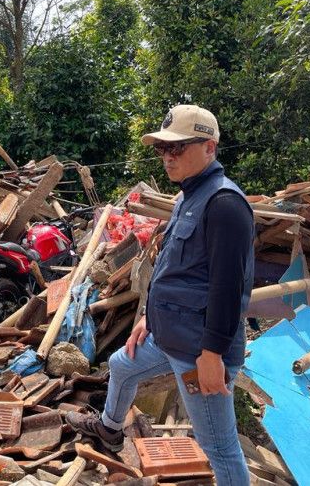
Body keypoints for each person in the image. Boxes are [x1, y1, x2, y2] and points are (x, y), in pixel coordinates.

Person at [66, 104, 254, 486]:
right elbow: (173, 271)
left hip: (199, 351)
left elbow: (228, 289)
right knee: (121, 365)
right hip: (170, 336)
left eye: (179, 148)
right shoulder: (188, 198)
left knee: (218, 446)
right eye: (163, 149)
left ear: (210, 148)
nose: (169, 156)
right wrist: (148, 319)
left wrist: (212, 356)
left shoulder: (224, 205)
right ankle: (110, 428)